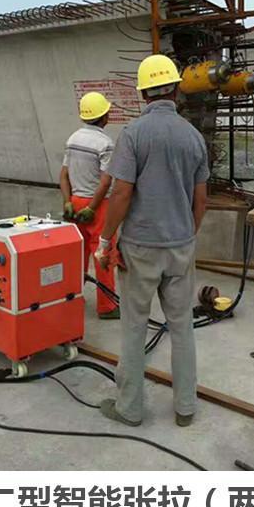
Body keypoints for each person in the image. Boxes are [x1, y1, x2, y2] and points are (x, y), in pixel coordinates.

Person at [94, 54, 209, 427]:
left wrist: (105, 241)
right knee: (182, 326)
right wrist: (186, 234)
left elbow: (121, 193)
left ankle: (129, 408)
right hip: (180, 245)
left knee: (134, 326)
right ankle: (185, 407)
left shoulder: (133, 134)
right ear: (176, 90)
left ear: (143, 93)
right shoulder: (193, 137)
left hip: (140, 248)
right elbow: (201, 200)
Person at [60, 91, 119, 319]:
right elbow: (105, 181)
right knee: (103, 254)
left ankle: (72, 298)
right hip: (98, 205)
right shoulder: (105, 143)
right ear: (104, 116)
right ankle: (107, 307)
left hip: (75, 203)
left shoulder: (73, 139)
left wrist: (67, 202)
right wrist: (92, 208)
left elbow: (63, 175)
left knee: (78, 254)